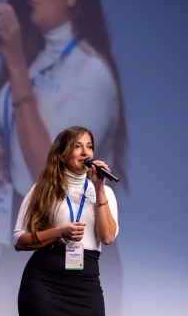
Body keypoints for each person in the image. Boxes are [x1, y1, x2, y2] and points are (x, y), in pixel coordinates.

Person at [0, 0, 127, 314]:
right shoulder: (37, 52)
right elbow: (27, 165)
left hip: (84, 275)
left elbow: (105, 235)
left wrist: (13, 62)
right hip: (39, 269)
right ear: (63, 154)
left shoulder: (94, 75)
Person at [14, 126, 119, 316]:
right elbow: (19, 240)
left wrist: (99, 188)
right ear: (62, 154)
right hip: (44, 280)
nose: (85, 152)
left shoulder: (103, 193)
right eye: (77, 146)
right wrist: (59, 232)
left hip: (86, 283)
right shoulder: (43, 189)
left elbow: (107, 237)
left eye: (89, 146)